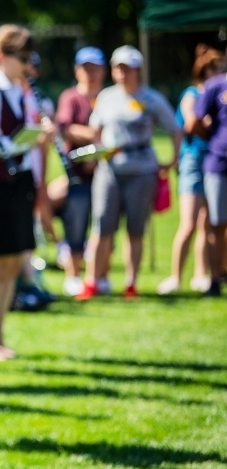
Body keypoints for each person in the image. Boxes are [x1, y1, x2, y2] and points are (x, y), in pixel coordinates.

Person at [77, 45, 181, 300]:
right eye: (118, 68)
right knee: (102, 225)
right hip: (110, 169)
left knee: (135, 228)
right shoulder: (106, 97)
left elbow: (175, 129)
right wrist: (95, 155)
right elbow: (96, 131)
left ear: (137, 70)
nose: (123, 74)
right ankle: (93, 280)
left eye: (128, 69)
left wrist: (172, 160)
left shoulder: (151, 99)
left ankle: (131, 283)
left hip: (142, 170)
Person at [0, 24, 50, 361]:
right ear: (2, 57)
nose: (28, 66)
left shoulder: (20, 91)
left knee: (14, 263)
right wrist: (17, 144)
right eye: (22, 58)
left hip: (17, 184)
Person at [157, 46, 224, 295]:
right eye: (216, 68)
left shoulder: (219, 94)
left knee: (209, 224)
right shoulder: (193, 93)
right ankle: (175, 276)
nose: (220, 73)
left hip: (215, 162)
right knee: (188, 223)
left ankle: (201, 274)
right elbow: (191, 122)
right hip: (194, 160)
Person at [53, 46, 106, 296]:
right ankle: (73, 275)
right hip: (78, 175)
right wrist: (96, 137)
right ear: (77, 70)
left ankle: (100, 275)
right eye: (85, 68)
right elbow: (65, 127)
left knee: (105, 226)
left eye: (94, 68)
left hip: (107, 175)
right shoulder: (70, 97)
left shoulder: (108, 97)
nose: (90, 73)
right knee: (76, 223)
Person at [193, 52, 227, 297]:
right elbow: (194, 121)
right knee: (216, 224)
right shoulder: (216, 85)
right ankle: (215, 279)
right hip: (219, 164)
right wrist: (213, 141)